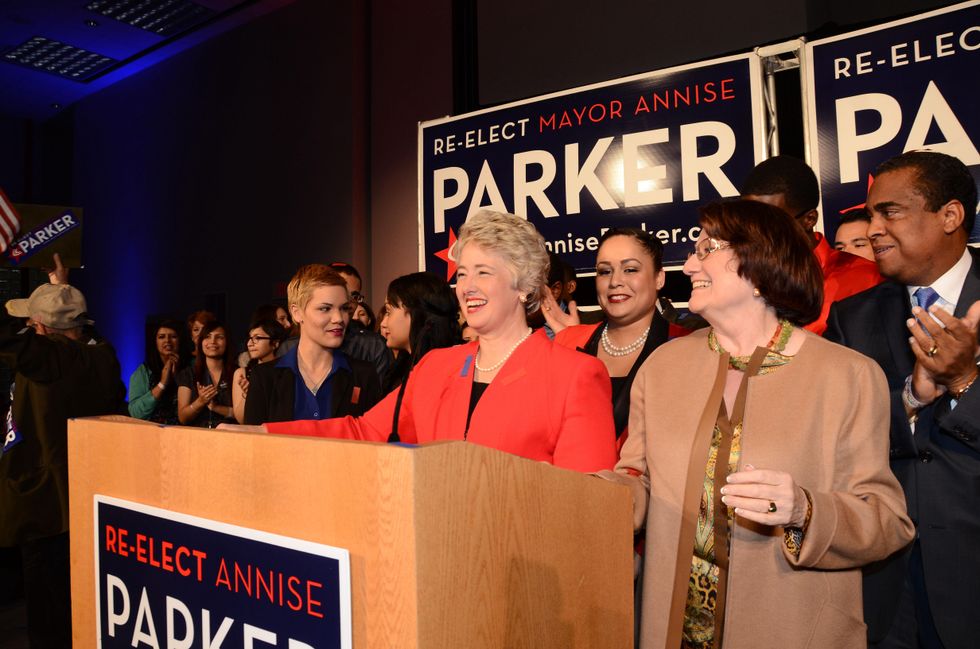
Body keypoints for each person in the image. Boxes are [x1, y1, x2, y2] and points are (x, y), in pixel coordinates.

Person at [604, 199, 914, 648]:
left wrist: (804, 511)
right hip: (671, 630)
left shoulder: (847, 375)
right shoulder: (663, 366)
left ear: (758, 263)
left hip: (792, 629)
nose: (689, 264)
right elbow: (639, 479)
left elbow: (887, 520)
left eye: (706, 249)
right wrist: (607, 492)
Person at [262, 211, 617, 473]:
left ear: (524, 286)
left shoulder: (576, 375)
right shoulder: (435, 367)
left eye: (483, 272)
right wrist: (262, 434)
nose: (467, 286)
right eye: (462, 274)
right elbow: (364, 431)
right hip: (437, 555)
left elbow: (586, 508)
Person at [825, 151, 980, 649]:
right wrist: (912, 395)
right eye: (871, 214)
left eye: (888, 212)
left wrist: (964, 380)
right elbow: (839, 438)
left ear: (950, 216)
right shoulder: (853, 317)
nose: (872, 229)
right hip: (888, 587)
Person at [0, 273, 127, 646]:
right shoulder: (103, 356)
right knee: (79, 614)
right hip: (86, 506)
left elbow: (8, 337)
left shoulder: (47, 358)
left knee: (48, 623)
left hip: (45, 510)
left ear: (39, 328)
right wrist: (62, 293)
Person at [543, 228, 670, 445]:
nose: (615, 282)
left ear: (659, 278)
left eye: (630, 269)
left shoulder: (684, 346)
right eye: (604, 271)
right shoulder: (568, 343)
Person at [742, 155, 882, 334]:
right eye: (747, 222)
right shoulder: (739, 279)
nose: (755, 233)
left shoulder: (866, 280)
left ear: (809, 219)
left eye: (771, 223)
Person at [244, 264, 381, 424]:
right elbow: (254, 445)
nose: (339, 318)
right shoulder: (265, 378)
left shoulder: (363, 375)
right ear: (297, 313)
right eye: (325, 309)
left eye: (344, 308)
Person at [380, 271, 461, 393]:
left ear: (415, 313)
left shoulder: (451, 374)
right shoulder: (399, 371)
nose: (383, 323)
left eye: (388, 311)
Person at [176, 320, 236, 428]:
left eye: (219, 337)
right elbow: (183, 418)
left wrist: (217, 408)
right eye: (207, 336)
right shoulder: (188, 374)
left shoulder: (237, 373)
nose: (213, 341)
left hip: (229, 437)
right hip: (197, 437)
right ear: (201, 342)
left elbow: (244, 415)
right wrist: (200, 402)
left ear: (227, 342)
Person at [128, 319, 186, 424]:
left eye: (173, 336)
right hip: (151, 432)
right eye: (161, 337)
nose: (167, 341)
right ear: (155, 341)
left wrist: (179, 378)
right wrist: (162, 384)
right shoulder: (143, 371)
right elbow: (135, 413)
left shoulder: (190, 367)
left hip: (185, 432)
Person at [232, 319, 287, 424]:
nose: (249, 344)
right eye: (249, 338)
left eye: (257, 338)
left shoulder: (285, 373)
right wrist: (248, 394)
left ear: (275, 343)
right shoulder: (242, 374)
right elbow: (241, 420)